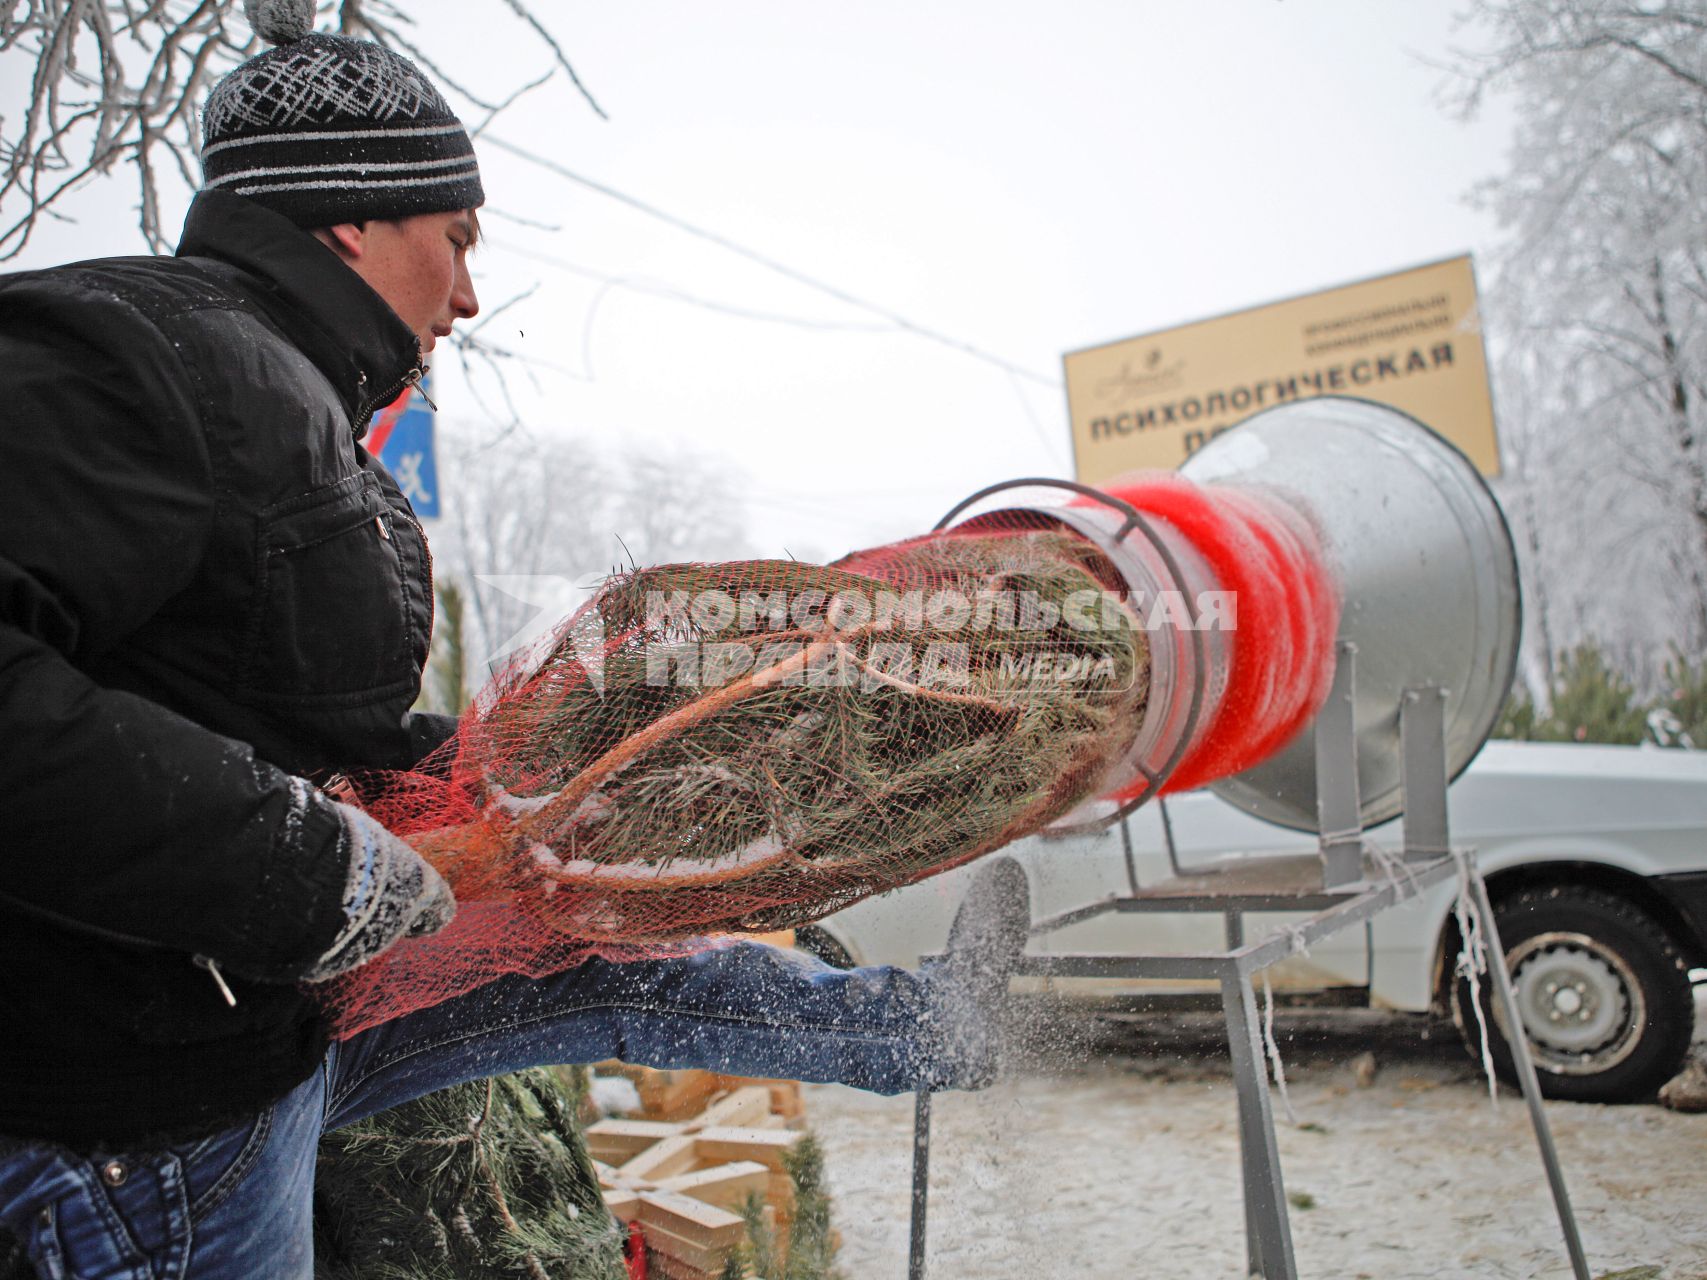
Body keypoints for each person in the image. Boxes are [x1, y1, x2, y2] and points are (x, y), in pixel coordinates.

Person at [0, 9, 1026, 1275]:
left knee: (598, 945)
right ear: (350, 220)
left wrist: (588, 771)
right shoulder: (147, 355)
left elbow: (257, 712)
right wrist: (314, 866)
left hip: (254, 1010)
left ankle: (919, 1031)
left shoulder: (284, 393)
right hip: (134, 1119)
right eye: (459, 239)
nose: (473, 296)